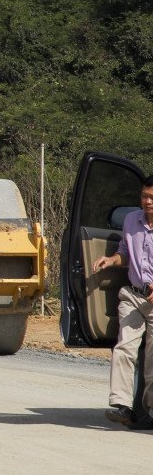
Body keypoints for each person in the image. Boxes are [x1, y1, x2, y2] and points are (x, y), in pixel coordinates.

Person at [95, 178, 153, 425]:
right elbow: (125, 253)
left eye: (151, 197)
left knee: (152, 357)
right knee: (123, 348)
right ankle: (122, 405)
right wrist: (112, 260)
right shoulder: (131, 220)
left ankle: (149, 411)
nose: (146, 202)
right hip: (132, 295)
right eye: (143, 196)